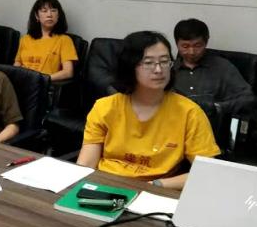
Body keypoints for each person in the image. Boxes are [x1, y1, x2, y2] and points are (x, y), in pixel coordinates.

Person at [77, 31, 219, 189]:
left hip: (156, 191)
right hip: (105, 184)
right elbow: (86, 164)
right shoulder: (104, 107)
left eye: (164, 61)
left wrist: (156, 185)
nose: (159, 70)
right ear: (130, 67)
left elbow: (207, 172)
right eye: (149, 62)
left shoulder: (189, 112)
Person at [172, 18, 255, 119]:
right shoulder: (168, 70)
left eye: (197, 46)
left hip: (212, 123)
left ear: (206, 42)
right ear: (177, 44)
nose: (192, 52)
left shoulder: (222, 67)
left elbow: (248, 98)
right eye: (185, 46)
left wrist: (218, 108)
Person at [14, 0, 78, 81]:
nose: (49, 15)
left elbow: (68, 72)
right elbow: (17, 63)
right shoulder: (25, 39)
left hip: (44, 84)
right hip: (22, 81)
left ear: (58, 15)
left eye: (53, 10)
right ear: (37, 16)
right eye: (44, 11)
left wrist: (44, 80)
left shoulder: (64, 40)